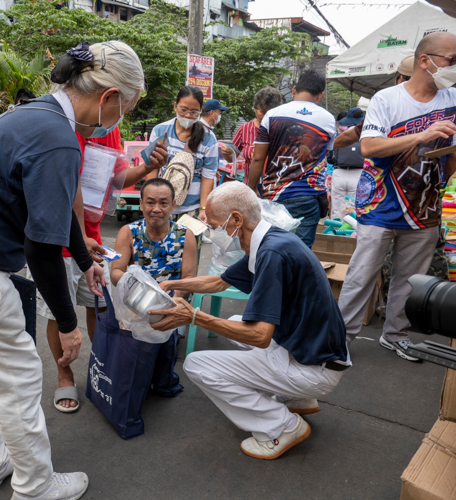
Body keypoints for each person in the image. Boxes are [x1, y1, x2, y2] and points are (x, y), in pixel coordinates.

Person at [0, 41, 147, 500]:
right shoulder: (58, 138)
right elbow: (41, 249)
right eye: (128, 106)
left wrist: (85, 260)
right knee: (18, 380)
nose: (122, 117)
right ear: (108, 97)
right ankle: (36, 487)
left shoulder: (36, 113)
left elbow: (55, 217)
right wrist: (68, 324)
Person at [148, 181, 350, 459]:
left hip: (316, 369)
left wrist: (193, 316)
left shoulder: (271, 254)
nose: (212, 233)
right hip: (322, 353)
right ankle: (299, 399)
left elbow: (259, 335)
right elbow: (220, 282)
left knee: (197, 364)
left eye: (214, 225)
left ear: (236, 220)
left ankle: (282, 426)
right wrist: (174, 283)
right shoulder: (269, 240)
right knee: (234, 318)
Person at [337, 32, 456, 361]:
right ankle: (339, 339)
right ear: (425, 61)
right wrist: (423, 134)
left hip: (426, 208)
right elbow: (369, 147)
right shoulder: (387, 99)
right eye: (450, 60)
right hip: (380, 205)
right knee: (361, 275)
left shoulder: (452, 99)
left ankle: (396, 335)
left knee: (410, 279)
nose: (454, 67)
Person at [38, 126, 168, 412]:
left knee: (100, 306)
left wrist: (149, 165)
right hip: (56, 241)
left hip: (92, 240)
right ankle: (64, 374)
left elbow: (118, 177)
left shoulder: (109, 127)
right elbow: (66, 187)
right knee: (57, 312)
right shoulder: (62, 126)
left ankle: (103, 366)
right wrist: (78, 235)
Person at [111, 177, 198, 395]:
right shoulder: (128, 232)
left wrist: (167, 303)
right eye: (150, 202)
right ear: (141, 204)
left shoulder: (185, 236)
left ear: (173, 205)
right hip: (135, 304)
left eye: (163, 203)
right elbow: (116, 271)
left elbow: (189, 278)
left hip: (172, 306)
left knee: (160, 347)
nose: (156, 209)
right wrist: (140, 293)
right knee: (139, 350)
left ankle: (156, 380)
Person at [247, 70, 336, 248]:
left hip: (274, 194)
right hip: (308, 196)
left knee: (272, 248)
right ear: (320, 95)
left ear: (294, 90)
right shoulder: (328, 119)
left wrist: (251, 189)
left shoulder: (272, 116)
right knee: (301, 252)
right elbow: (325, 155)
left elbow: (258, 159)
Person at [146, 86, 219, 223]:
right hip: (162, 208)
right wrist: (149, 200)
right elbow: (152, 167)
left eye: (194, 112)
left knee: (188, 245)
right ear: (175, 106)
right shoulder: (160, 131)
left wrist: (203, 209)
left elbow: (208, 177)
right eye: (183, 109)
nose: (187, 115)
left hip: (193, 209)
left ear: (200, 111)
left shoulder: (209, 139)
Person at [232, 87, 283, 185]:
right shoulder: (245, 129)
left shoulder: (282, 130)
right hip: (250, 187)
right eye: (263, 112)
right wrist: (227, 152)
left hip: (274, 187)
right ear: (255, 109)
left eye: (270, 113)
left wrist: (264, 149)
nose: (266, 116)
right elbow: (231, 157)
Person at [330, 107, 365, 219]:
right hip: (359, 173)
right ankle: (350, 233)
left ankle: (334, 230)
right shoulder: (366, 135)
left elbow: (331, 158)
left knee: (336, 207)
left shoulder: (341, 136)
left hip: (339, 172)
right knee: (354, 207)